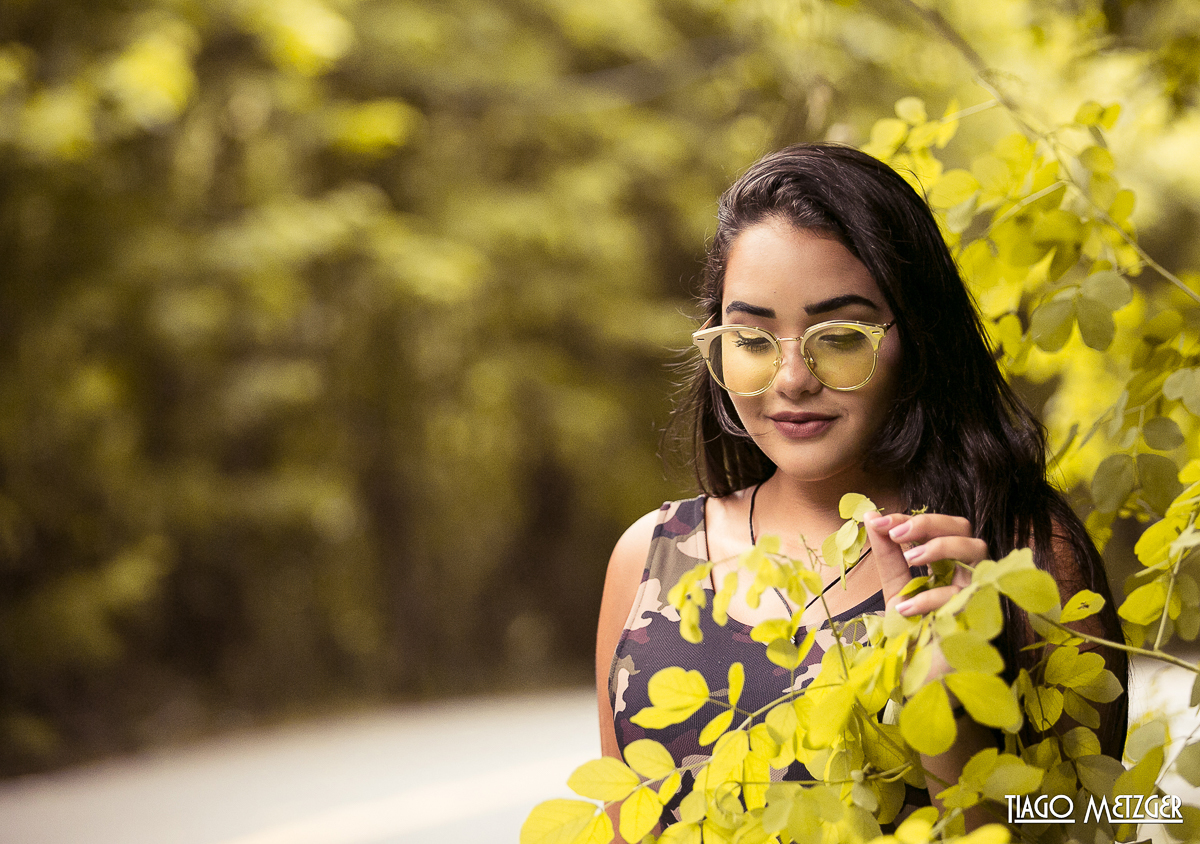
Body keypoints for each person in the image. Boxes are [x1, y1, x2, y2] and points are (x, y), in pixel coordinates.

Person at [594, 143, 1129, 837]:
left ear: (918, 337)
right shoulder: (648, 560)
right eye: (752, 339)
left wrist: (951, 716)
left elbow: (1082, 828)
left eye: (840, 334)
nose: (792, 379)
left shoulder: (1018, 553)